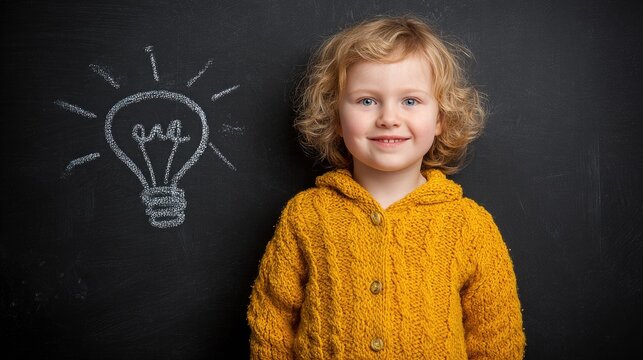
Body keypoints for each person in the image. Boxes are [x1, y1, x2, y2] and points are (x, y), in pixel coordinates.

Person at [247, 14, 525, 359]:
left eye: (410, 101)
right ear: (336, 117)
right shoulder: (306, 215)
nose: (388, 117)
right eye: (367, 100)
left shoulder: (470, 225)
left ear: (440, 118)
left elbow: (498, 339)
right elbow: (271, 323)